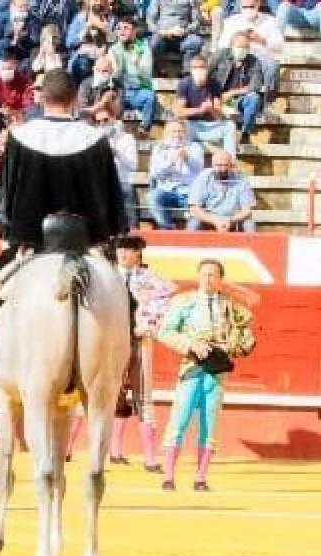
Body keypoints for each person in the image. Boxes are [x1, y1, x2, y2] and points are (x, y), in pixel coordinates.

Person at [0, 69, 126, 248]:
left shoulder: (19, 137)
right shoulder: (95, 139)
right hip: (85, 240)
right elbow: (111, 198)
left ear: (43, 98)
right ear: (74, 98)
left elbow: (4, 195)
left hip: (30, 239)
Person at [157, 259, 255, 491]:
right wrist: (191, 344)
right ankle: (168, 476)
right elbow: (165, 332)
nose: (208, 279)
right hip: (191, 367)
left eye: (213, 275)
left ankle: (201, 478)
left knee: (210, 425)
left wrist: (236, 346)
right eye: (204, 275)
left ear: (220, 279)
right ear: (198, 277)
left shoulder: (230, 306)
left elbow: (246, 334)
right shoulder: (184, 302)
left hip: (217, 371)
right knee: (179, 421)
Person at [110, 235, 176, 471]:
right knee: (107, 394)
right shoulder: (106, 276)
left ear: (138, 253)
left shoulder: (153, 280)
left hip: (139, 340)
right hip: (109, 344)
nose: (122, 254)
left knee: (143, 396)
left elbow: (167, 301)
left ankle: (150, 458)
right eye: (119, 250)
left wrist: (146, 325)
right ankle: (107, 451)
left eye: (127, 250)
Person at [218, 0, 283, 102]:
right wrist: (237, 39)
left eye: (251, 6)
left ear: (258, 4)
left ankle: (266, 101)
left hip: (261, 58)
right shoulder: (232, 21)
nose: (248, 9)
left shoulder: (270, 21)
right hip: (239, 57)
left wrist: (262, 40)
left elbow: (280, 46)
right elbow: (222, 45)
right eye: (244, 7)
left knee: (273, 65)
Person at [175, 54, 238, 156]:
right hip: (191, 126)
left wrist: (211, 109)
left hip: (210, 126)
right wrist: (200, 110)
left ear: (207, 68)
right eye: (195, 67)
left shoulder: (215, 84)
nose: (198, 70)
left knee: (230, 126)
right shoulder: (184, 84)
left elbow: (219, 116)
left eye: (201, 67)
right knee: (180, 125)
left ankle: (230, 162)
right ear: (191, 69)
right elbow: (179, 112)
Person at [209, 31, 265, 144]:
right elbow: (206, 75)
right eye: (239, 46)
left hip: (239, 100)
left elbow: (255, 85)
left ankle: (245, 133)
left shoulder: (254, 62)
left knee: (254, 98)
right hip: (218, 98)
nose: (242, 50)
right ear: (232, 45)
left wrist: (232, 93)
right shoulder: (220, 55)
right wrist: (215, 96)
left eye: (246, 47)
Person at [149, 120, 206, 229]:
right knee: (152, 196)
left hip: (188, 190)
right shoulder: (159, 148)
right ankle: (168, 228)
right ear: (166, 133)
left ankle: (191, 233)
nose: (177, 134)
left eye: (180, 131)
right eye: (173, 131)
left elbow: (199, 169)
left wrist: (188, 158)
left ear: (185, 133)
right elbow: (154, 173)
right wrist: (171, 161)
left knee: (197, 205)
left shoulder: (194, 147)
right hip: (166, 189)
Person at [187, 150, 257, 232]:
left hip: (233, 219)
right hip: (208, 218)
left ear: (231, 165)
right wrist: (215, 221)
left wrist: (230, 220)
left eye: (226, 165)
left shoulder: (241, 179)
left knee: (249, 224)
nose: (223, 169)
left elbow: (247, 210)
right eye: (219, 165)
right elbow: (194, 209)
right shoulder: (203, 177)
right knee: (194, 224)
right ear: (212, 165)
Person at [109, 17, 155, 136]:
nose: (122, 31)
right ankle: (114, 129)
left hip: (138, 91)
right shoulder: (114, 49)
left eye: (126, 28)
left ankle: (144, 128)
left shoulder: (144, 47)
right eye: (119, 28)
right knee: (111, 96)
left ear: (134, 31)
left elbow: (146, 73)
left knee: (149, 97)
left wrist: (136, 63)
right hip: (120, 90)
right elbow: (114, 73)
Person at [94, 107, 138, 229]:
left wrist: (117, 153)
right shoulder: (93, 139)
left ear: (113, 119)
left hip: (121, 180)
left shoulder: (127, 138)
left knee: (127, 190)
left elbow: (133, 165)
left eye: (105, 120)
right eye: (98, 121)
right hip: (101, 182)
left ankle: (132, 230)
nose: (102, 124)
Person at [147, 0, 205, 72]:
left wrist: (185, 31)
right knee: (154, 43)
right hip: (163, 37)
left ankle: (187, 71)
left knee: (196, 42)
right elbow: (150, 21)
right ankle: (160, 68)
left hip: (183, 37)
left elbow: (196, 22)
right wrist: (164, 32)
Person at [0, 50, 36, 123]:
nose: (6, 71)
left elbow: (29, 102)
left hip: (19, 116)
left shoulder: (24, 79)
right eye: (3, 68)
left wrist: (16, 113)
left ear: (15, 66)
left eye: (9, 68)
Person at [77, 54, 123, 120]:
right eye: (98, 70)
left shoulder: (118, 86)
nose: (101, 73)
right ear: (93, 68)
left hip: (110, 122)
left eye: (105, 71)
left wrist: (110, 103)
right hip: (89, 123)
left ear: (112, 71)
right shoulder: (85, 85)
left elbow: (119, 112)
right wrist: (102, 103)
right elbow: (82, 112)